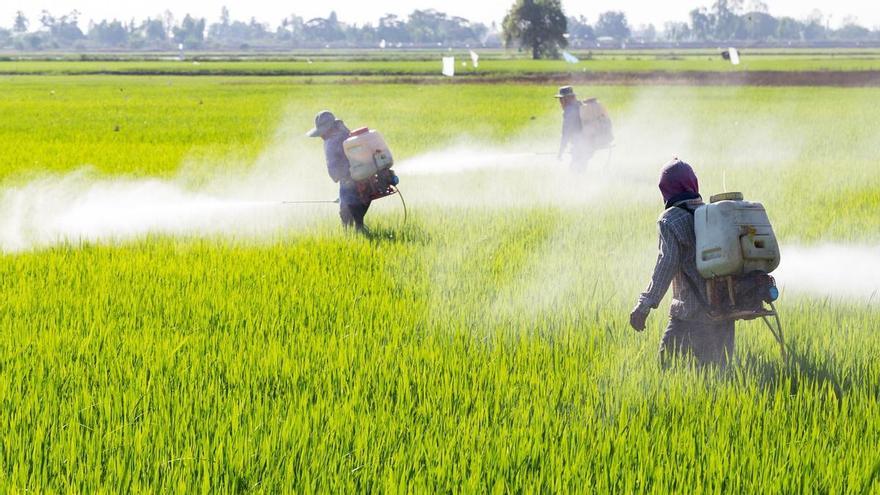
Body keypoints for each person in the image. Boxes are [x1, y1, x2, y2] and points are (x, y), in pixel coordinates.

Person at [629, 159, 735, 367]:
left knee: (667, 367)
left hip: (691, 312)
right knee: (720, 373)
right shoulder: (711, 214)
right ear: (693, 184)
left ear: (666, 190)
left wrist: (645, 305)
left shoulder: (670, 220)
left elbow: (666, 265)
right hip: (725, 306)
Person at [307, 110, 371, 233]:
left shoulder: (331, 142)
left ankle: (355, 236)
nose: (321, 136)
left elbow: (335, 172)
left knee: (348, 219)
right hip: (366, 176)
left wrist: (344, 195)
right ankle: (360, 231)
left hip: (350, 180)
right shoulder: (346, 133)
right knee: (357, 214)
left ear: (327, 129)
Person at [555, 86, 593, 173]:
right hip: (588, 144)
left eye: (561, 99)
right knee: (581, 168)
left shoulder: (569, 111)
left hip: (581, 146)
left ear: (566, 99)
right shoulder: (580, 105)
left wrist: (560, 151)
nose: (560, 102)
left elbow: (565, 134)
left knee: (575, 172)